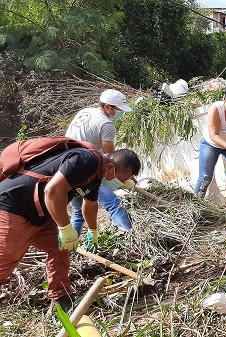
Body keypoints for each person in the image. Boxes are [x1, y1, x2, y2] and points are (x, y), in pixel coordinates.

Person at [0, 145, 141, 309]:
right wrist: (65, 228)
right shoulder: (85, 160)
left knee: (62, 247)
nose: (120, 183)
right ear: (111, 167)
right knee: (6, 257)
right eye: (122, 179)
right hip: (13, 206)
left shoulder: (96, 176)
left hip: (40, 214)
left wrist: (92, 231)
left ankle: (60, 297)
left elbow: (90, 204)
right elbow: (52, 190)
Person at [65, 89, 136, 236]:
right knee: (113, 205)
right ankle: (132, 239)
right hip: (87, 170)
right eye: (118, 109)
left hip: (67, 167)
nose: (120, 113)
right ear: (107, 107)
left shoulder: (86, 111)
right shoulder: (107, 125)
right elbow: (111, 160)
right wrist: (123, 180)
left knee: (78, 213)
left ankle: (68, 249)